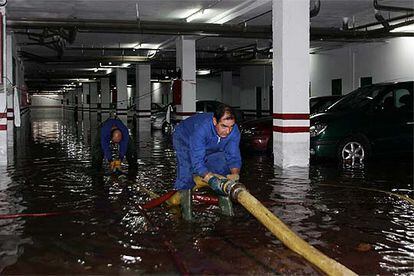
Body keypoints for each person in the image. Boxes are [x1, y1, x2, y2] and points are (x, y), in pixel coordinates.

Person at [169, 104, 242, 218]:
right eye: (224, 126)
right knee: (186, 173)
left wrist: (235, 175)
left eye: (231, 126)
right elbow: (198, 161)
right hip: (184, 139)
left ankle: (227, 212)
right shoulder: (201, 129)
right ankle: (187, 217)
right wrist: (210, 179)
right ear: (214, 121)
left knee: (223, 167)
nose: (228, 131)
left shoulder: (233, 131)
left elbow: (233, 155)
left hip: (210, 144)